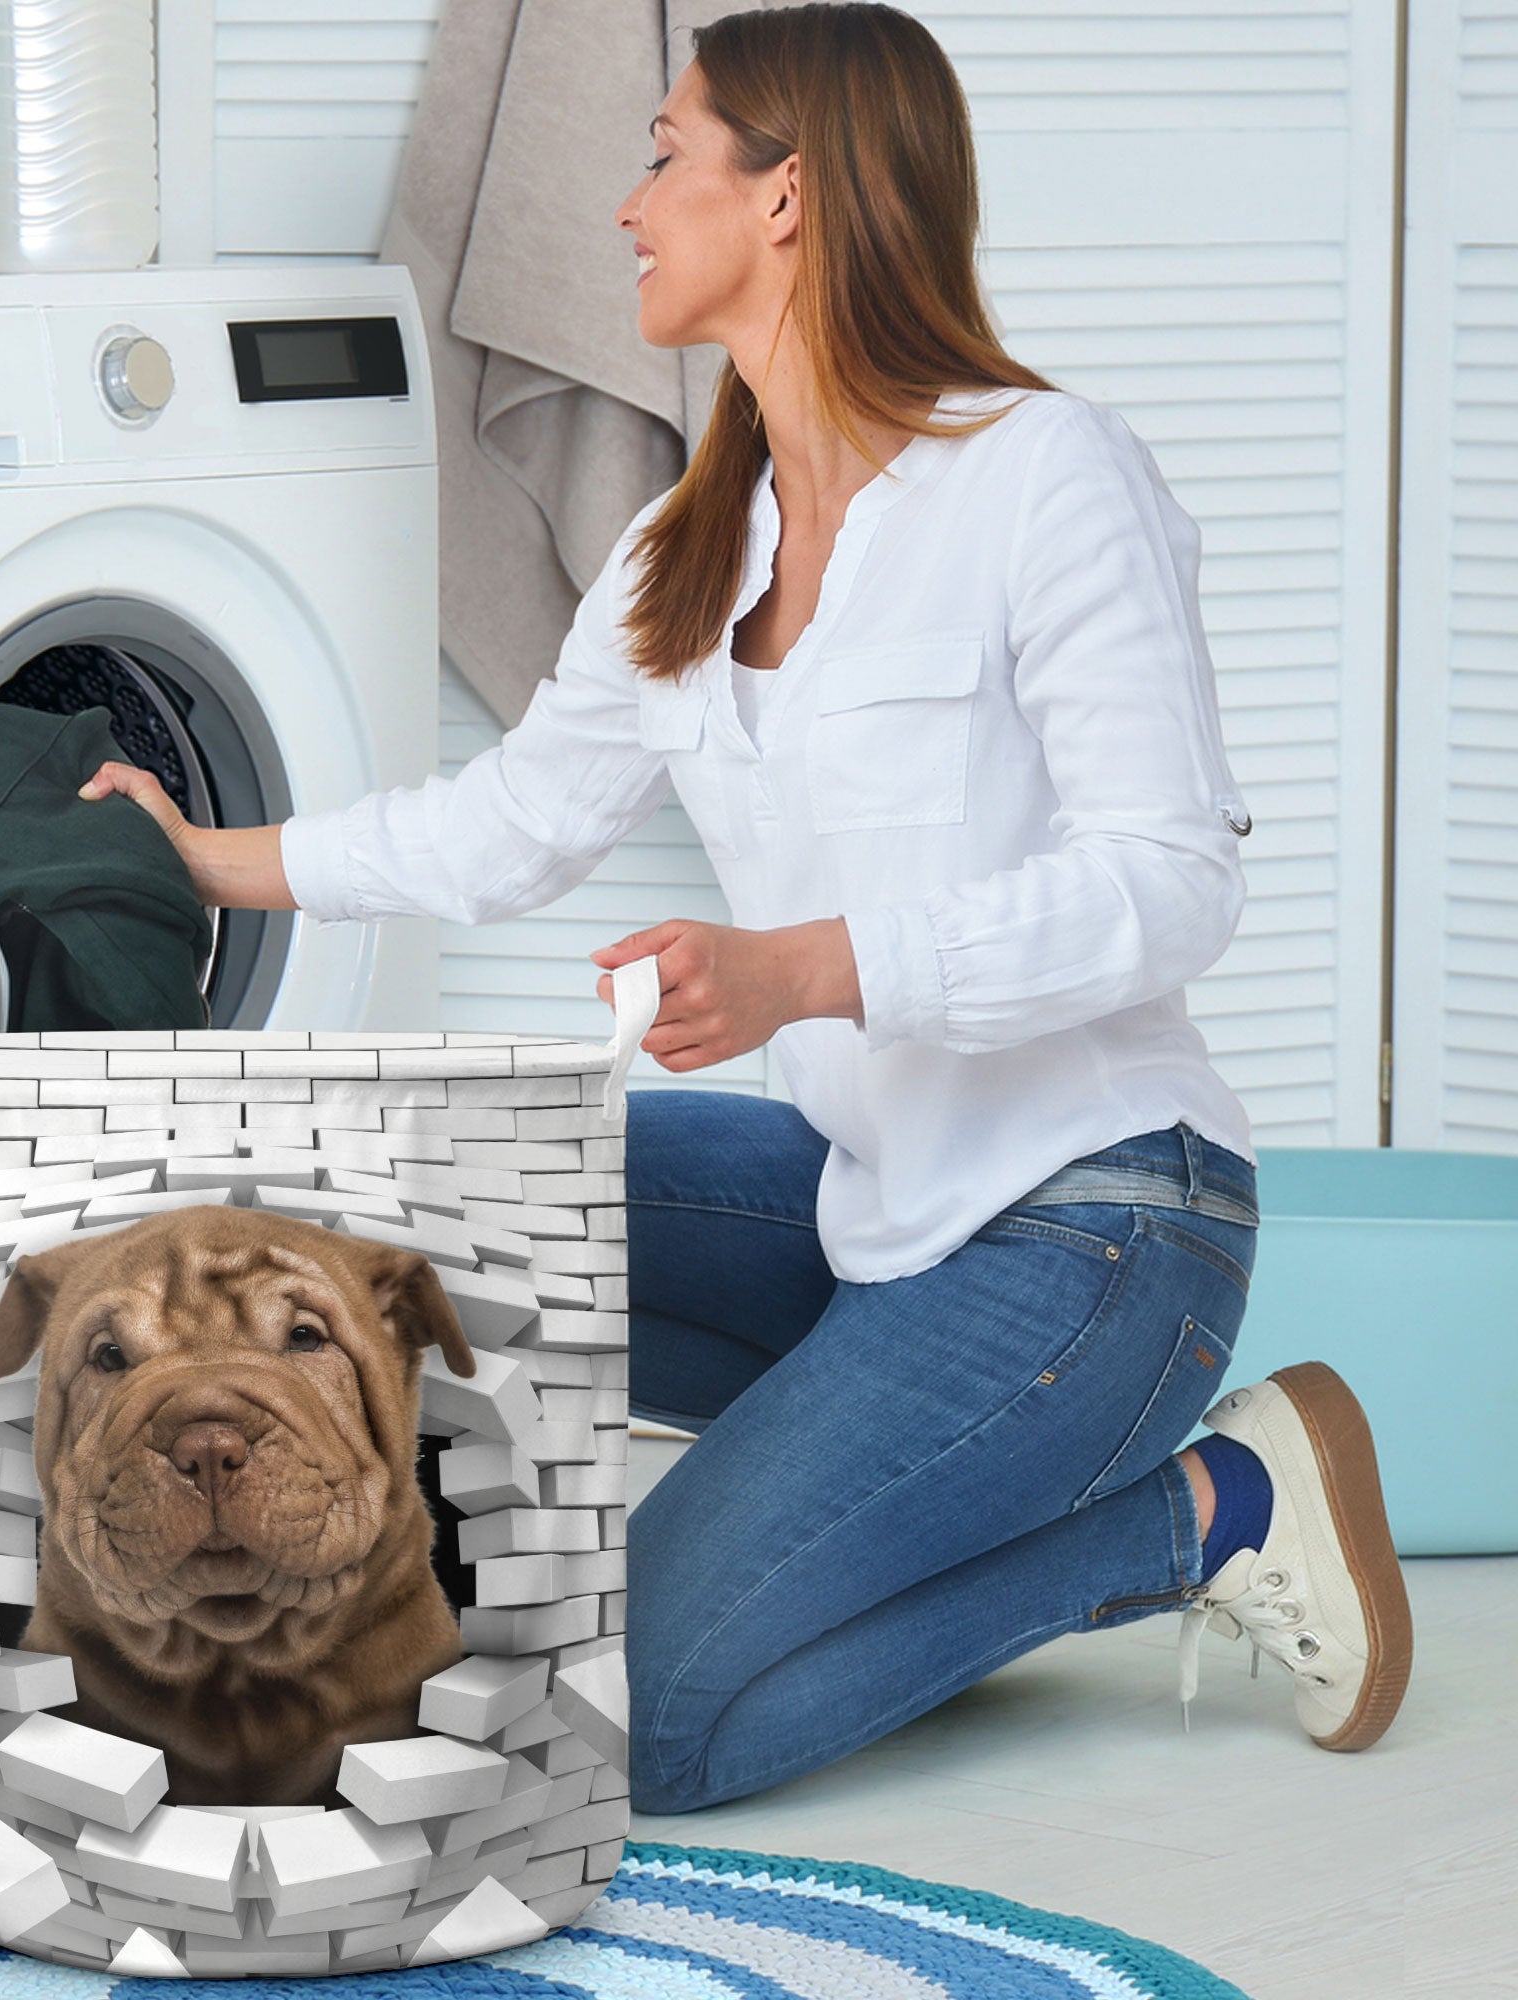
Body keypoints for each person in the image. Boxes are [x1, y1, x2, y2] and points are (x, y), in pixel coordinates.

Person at [78, 0, 1413, 1816]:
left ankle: (1209, 1512)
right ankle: (520, 1582)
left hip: (1102, 1224)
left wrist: (809, 972)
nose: (627, 207)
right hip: (874, 1207)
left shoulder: (1043, 474)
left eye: (664, 157)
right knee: (421, 1214)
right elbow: (512, 825)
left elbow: (1172, 885)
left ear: (786, 197)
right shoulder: (686, 549)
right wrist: (216, 855)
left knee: (642, 1719)